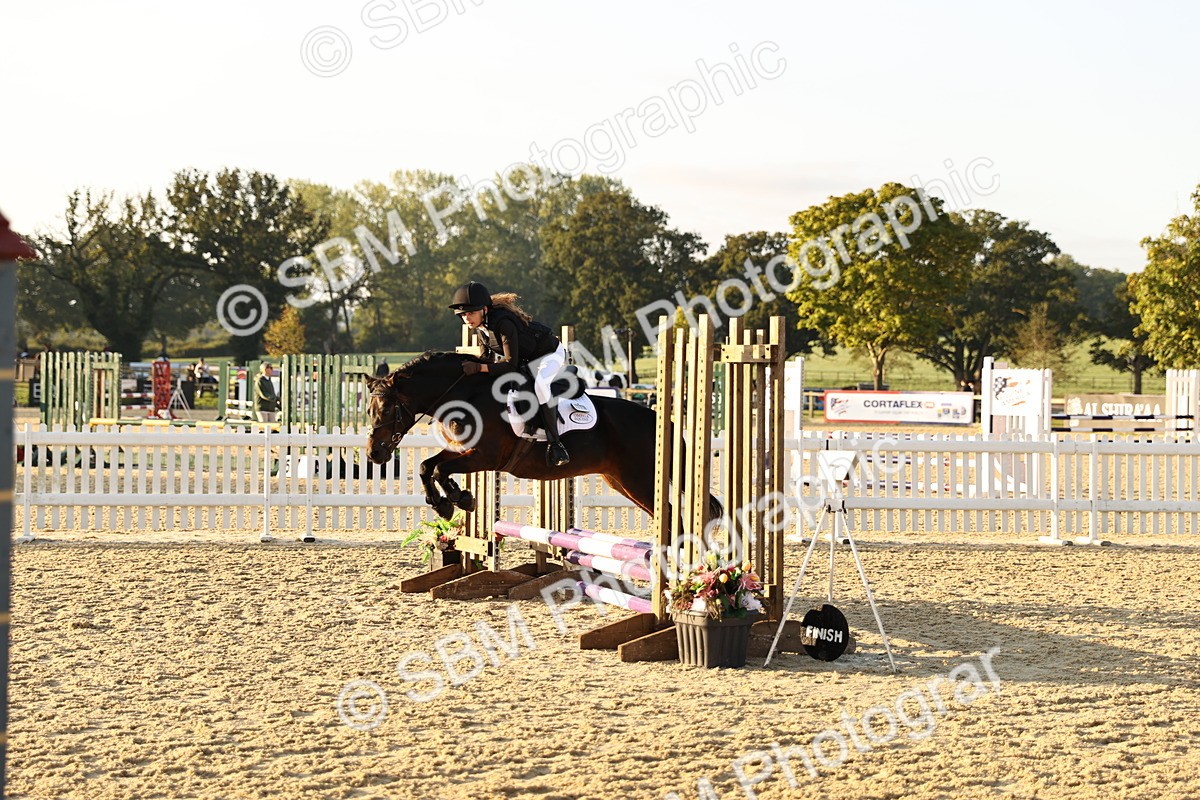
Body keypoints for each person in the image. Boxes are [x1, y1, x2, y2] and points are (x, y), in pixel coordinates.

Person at [449, 281, 569, 467]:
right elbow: (486, 360)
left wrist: (478, 368)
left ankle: (556, 444)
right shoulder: (481, 329)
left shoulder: (503, 323)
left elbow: (510, 365)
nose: (467, 318)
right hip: (527, 360)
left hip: (549, 354)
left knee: (540, 385)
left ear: (484, 309)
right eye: (463, 314)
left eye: (471, 313)